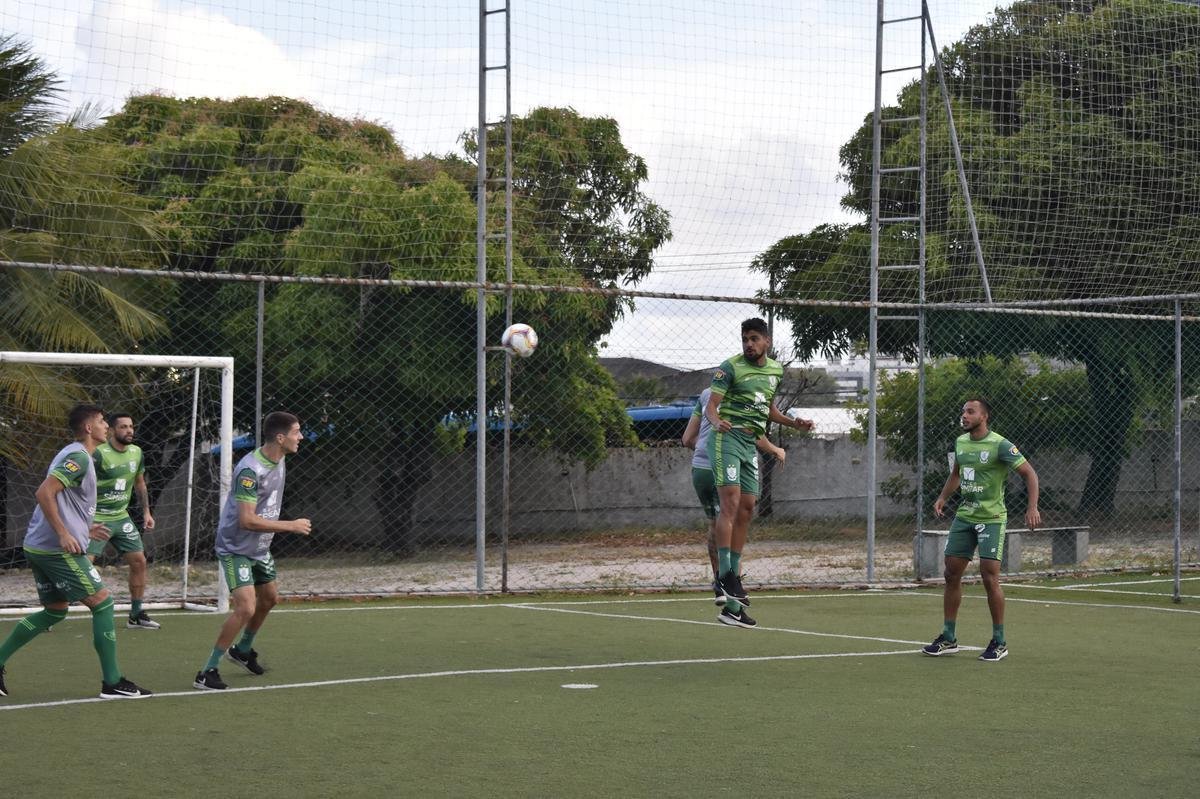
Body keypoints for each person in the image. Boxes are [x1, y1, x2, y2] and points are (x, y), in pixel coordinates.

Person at [0, 404, 152, 700]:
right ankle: (113, 682)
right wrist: (64, 533)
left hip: (40, 546)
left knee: (55, 611)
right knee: (103, 603)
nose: (106, 425)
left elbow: (67, 500)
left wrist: (84, 528)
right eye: (101, 421)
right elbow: (44, 492)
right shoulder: (78, 456)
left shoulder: (77, 454)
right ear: (88, 428)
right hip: (54, 548)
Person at [705, 318, 813, 628]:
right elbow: (712, 406)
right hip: (727, 438)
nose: (748, 344)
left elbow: (768, 410)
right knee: (730, 503)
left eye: (754, 338)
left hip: (750, 441)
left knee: (748, 507)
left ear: (766, 341)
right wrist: (716, 422)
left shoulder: (775, 370)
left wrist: (794, 423)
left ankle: (733, 605)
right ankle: (725, 575)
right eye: (744, 339)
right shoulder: (730, 368)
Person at [194, 411, 312, 690]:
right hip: (235, 547)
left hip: (260, 547)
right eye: (297, 432)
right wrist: (291, 526)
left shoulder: (279, 458)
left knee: (269, 599)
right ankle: (207, 671)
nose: (302, 437)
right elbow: (246, 520)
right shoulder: (250, 471)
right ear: (281, 438)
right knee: (246, 607)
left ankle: (242, 650)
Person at [922, 397, 1040, 662]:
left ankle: (999, 641)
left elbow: (1030, 474)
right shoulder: (961, 442)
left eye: (970, 412)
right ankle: (948, 637)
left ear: (984, 416)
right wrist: (943, 497)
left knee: (989, 576)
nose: (964, 415)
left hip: (992, 518)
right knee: (951, 574)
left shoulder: (1000, 445)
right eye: (963, 410)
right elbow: (956, 473)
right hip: (965, 517)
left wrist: (1032, 508)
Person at [682, 386, 789, 604]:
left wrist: (708, 449)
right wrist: (775, 449)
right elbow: (752, 436)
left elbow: (687, 439)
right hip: (728, 465)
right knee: (734, 521)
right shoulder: (748, 394)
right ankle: (732, 587)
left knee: (717, 522)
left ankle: (720, 584)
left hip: (701, 468)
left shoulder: (705, 394)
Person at [87, 412, 159, 629]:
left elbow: (140, 483)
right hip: (97, 517)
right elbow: (81, 485)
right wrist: (84, 518)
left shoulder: (137, 453)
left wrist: (146, 512)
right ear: (111, 430)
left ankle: (136, 614)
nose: (129, 431)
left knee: (139, 561)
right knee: (81, 566)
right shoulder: (98, 454)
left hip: (121, 517)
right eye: (123, 427)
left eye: (131, 426)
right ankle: (52, 611)